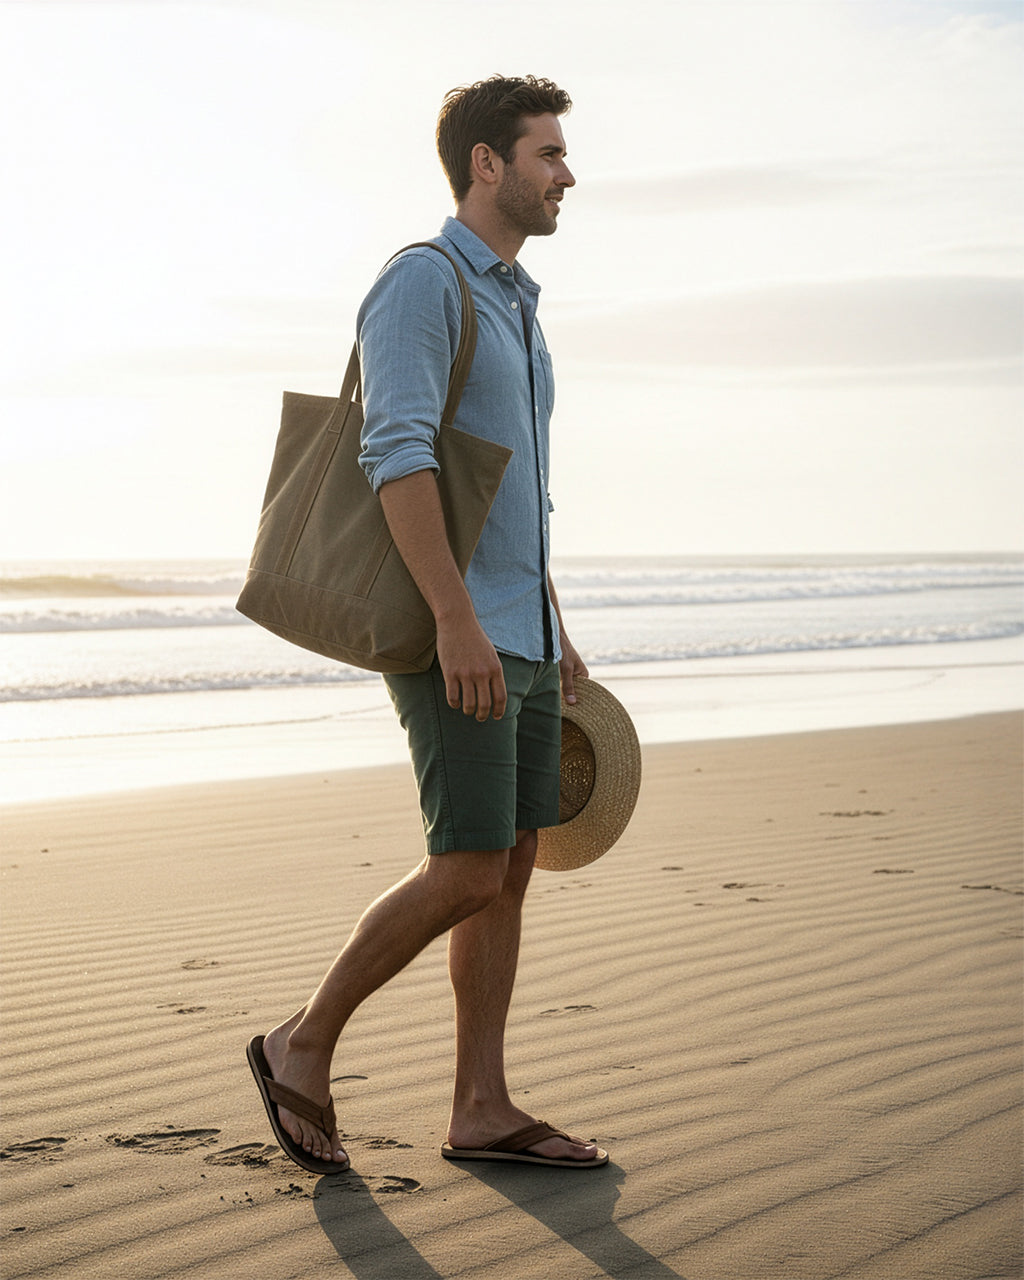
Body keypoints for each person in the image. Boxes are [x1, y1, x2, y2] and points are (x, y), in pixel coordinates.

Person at [247, 74, 607, 1174]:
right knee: (464, 863)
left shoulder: (518, 302)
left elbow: (514, 489)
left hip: (522, 628)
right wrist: (456, 619)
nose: (566, 173)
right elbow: (394, 450)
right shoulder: (424, 281)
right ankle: (299, 1043)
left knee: (512, 860)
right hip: (456, 629)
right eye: (547, 153)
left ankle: (481, 1103)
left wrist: (552, 619)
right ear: (486, 164)